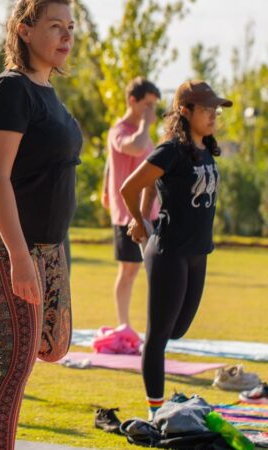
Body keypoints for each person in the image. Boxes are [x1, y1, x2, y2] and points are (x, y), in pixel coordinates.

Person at [0, 1, 80, 447]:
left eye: (70, 27)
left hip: (49, 245)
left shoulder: (45, 90)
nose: (66, 36)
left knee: (54, 345)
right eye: (55, 26)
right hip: (7, 244)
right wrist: (17, 257)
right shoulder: (11, 89)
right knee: (15, 363)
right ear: (24, 30)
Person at [120, 80, 231, 420]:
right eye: (206, 109)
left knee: (178, 329)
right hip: (169, 251)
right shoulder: (171, 150)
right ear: (185, 111)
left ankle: (160, 403)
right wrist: (140, 221)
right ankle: (156, 410)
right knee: (158, 336)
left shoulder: (205, 149)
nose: (213, 115)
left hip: (199, 252)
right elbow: (130, 186)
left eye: (216, 109)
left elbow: (154, 185)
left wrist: (150, 200)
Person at [101, 77, 161, 327]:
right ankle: (123, 324)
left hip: (151, 213)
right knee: (128, 271)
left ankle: (156, 326)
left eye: (154, 106)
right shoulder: (121, 131)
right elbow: (135, 148)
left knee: (153, 271)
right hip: (128, 215)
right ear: (132, 101)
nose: (151, 111)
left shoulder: (143, 134)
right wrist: (145, 124)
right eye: (147, 105)